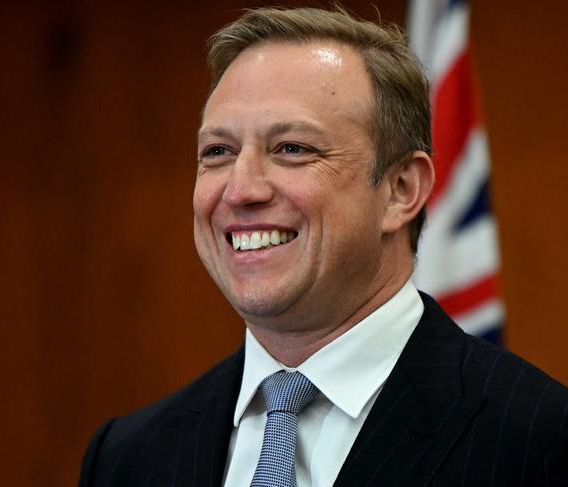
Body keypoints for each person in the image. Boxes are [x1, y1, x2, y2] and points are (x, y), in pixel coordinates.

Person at [79, 7, 568, 486]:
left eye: (292, 148)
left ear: (401, 190)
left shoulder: (540, 439)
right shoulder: (125, 456)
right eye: (218, 152)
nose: (240, 188)